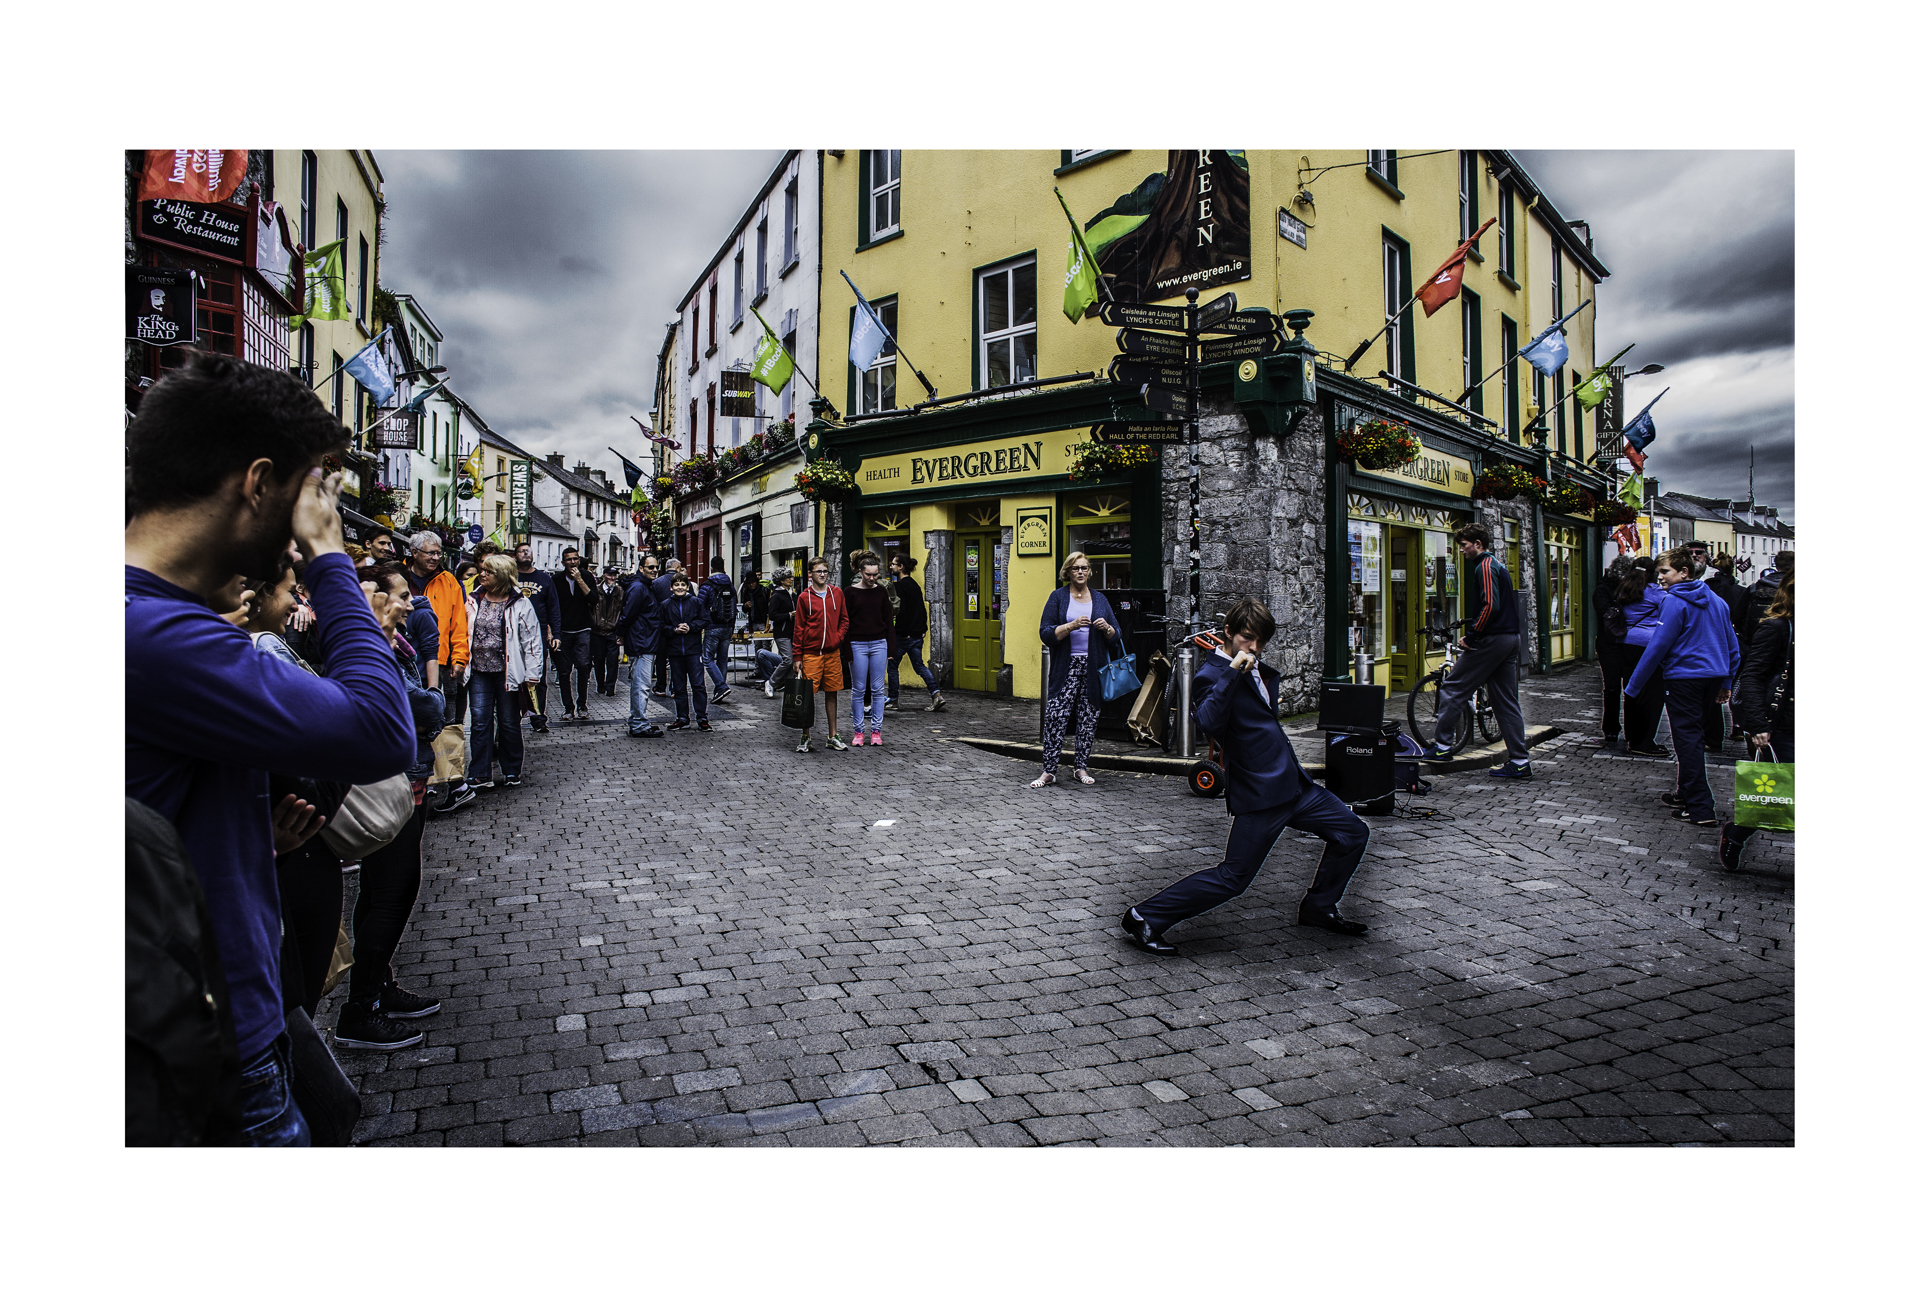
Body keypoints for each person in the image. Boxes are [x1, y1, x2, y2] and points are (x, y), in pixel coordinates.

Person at [126, 352, 414, 1145]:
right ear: (256, 485)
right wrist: (330, 558)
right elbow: (380, 728)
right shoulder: (152, 635)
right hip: (212, 1040)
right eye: (308, 498)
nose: (302, 535)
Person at [1121, 597, 1371, 956]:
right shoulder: (1212, 674)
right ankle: (1144, 916)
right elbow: (1206, 722)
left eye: (1261, 641)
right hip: (1261, 791)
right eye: (1247, 639)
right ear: (1228, 633)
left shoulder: (1256, 664)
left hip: (1294, 783)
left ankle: (1319, 907)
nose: (1254, 648)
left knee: (1353, 832)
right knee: (1234, 877)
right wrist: (1232, 671)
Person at [335, 563, 448, 1050]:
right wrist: (432, 703)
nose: (409, 603)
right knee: (391, 889)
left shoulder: (395, 644)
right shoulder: (368, 650)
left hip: (410, 774)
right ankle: (359, 1010)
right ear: (373, 599)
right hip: (390, 779)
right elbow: (421, 707)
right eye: (401, 595)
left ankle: (378, 985)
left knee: (389, 887)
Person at [1625, 547, 1740, 827]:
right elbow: (1732, 647)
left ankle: (1700, 807)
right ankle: (1685, 792)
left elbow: (1659, 645)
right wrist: (1726, 681)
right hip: (1712, 676)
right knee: (1695, 736)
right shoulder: (1716, 601)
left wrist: (1633, 686)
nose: (1660, 577)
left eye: (1665, 571)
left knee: (1687, 739)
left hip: (1684, 678)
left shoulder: (1674, 602)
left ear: (1683, 572)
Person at [1417, 523, 1531, 779]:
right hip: (1510, 638)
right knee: (1505, 701)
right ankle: (1520, 761)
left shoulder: (1486, 567)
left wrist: (1473, 635)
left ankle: (1443, 747)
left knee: (1453, 686)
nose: (1462, 550)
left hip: (1492, 639)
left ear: (1478, 543)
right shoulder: (1498, 566)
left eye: (1464, 545)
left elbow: (1490, 604)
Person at [1721, 570, 1793, 871]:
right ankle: (1737, 832)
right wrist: (1757, 724)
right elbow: (1752, 676)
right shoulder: (1777, 628)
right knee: (1782, 791)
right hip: (1784, 724)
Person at [1032, 551, 1120, 788]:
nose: (1080, 572)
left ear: (1089, 572)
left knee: (1088, 718)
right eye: (1075, 568)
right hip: (1066, 667)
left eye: (1084, 568)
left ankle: (1080, 767)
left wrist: (1107, 628)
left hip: (1093, 668)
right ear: (1067, 572)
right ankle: (1049, 771)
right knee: (1055, 717)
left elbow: (1116, 635)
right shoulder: (1058, 597)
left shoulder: (1100, 599)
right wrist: (1070, 625)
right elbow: (1046, 633)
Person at [466, 553, 545, 788]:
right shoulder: (473, 599)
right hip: (479, 670)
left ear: (500, 576)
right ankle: (480, 773)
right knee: (480, 722)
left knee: (509, 722)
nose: (482, 574)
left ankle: (511, 770)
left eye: (488, 572)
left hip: (507, 672)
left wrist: (533, 674)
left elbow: (531, 641)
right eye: (483, 570)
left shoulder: (520, 603)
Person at [1615, 556, 1671, 758]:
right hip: (1648, 646)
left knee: (1631, 691)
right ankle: (1645, 741)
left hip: (1625, 643)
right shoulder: (1656, 592)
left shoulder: (1625, 589)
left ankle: (1632, 736)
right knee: (1652, 694)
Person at [792, 556, 849, 752]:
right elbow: (799, 628)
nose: (823, 574)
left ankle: (832, 735)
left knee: (832, 692)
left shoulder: (837, 593)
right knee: (807, 695)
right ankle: (805, 736)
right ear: (811, 574)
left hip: (832, 652)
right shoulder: (804, 597)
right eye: (819, 571)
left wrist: (837, 638)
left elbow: (844, 620)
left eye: (825, 571)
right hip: (811, 653)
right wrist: (797, 657)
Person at [844, 549, 897, 746]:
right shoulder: (849, 592)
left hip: (878, 644)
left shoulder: (881, 591)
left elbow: (888, 621)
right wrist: (846, 649)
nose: (872, 578)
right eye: (868, 574)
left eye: (875, 575)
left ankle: (876, 731)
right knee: (858, 690)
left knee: (877, 689)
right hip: (857, 644)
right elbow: (845, 622)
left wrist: (891, 647)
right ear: (860, 571)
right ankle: (858, 731)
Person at [887, 553, 946, 713]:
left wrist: (903, 632)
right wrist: (923, 630)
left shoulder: (899, 586)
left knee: (892, 666)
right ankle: (936, 695)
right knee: (919, 666)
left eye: (893, 564)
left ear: (901, 567)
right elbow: (922, 609)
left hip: (904, 635)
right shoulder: (914, 585)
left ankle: (893, 700)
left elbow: (901, 611)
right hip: (916, 634)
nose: (891, 567)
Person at [513, 542, 561, 733]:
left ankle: (538, 717)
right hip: (514, 634)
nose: (526, 554)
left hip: (538, 633)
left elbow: (553, 608)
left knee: (538, 677)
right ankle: (513, 717)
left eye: (528, 551)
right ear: (515, 555)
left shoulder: (544, 578)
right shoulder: (511, 577)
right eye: (521, 551)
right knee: (514, 676)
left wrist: (556, 633)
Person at [657, 571, 712, 732]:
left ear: (687, 587)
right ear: (671, 587)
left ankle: (702, 718)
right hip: (674, 651)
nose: (680, 587)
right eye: (676, 585)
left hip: (693, 650)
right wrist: (674, 629)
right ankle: (682, 718)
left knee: (698, 685)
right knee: (679, 687)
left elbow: (705, 620)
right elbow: (661, 626)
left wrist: (691, 627)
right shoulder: (665, 604)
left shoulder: (696, 602)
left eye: (682, 584)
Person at [615, 561, 664, 738]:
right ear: (641, 568)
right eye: (650, 567)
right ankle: (638, 724)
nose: (655, 570)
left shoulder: (643, 586)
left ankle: (636, 720)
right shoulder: (638, 588)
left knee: (640, 684)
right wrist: (620, 633)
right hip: (642, 641)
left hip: (644, 639)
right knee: (641, 685)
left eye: (656, 567)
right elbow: (628, 614)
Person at [1592, 554, 1634, 747]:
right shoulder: (1603, 589)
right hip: (1609, 643)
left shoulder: (1633, 589)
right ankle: (1610, 729)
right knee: (1612, 688)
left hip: (1627, 644)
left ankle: (1630, 729)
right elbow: (1604, 613)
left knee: (1629, 688)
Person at [552, 546, 596, 720]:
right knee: (564, 671)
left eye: (575, 559)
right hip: (563, 630)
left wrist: (579, 580)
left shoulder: (586, 577)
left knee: (583, 667)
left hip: (582, 629)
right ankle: (568, 707)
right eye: (569, 559)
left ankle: (582, 704)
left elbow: (593, 599)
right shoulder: (556, 579)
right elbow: (552, 606)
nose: (572, 562)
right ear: (563, 562)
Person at [698, 556, 737, 703]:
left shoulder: (707, 585)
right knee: (722, 660)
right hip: (727, 627)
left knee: (707, 658)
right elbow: (735, 604)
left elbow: (699, 606)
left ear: (711, 568)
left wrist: (702, 624)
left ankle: (721, 686)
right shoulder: (730, 585)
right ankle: (719, 691)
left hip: (712, 626)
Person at [1737, 550, 1792, 647]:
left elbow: (1738, 616)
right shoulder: (1792, 589)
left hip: (1755, 641)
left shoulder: (1754, 588)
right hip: (1787, 643)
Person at [591, 564, 626, 695]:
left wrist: (620, 630)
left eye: (614, 575)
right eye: (610, 575)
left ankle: (610, 687)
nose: (613, 577)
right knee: (599, 660)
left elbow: (622, 610)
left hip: (612, 631)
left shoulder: (619, 591)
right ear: (604, 576)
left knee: (613, 661)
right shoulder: (596, 590)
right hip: (597, 631)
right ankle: (600, 685)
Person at [762, 568, 796, 697]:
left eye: (791, 577)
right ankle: (771, 682)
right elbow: (772, 615)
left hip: (792, 631)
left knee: (791, 661)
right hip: (782, 632)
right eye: (788, 577)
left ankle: (790, 689)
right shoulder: (777, 595)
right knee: (788, 659)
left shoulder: (792, 594)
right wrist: (789, 615)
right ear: (781, 580)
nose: (791, 579)